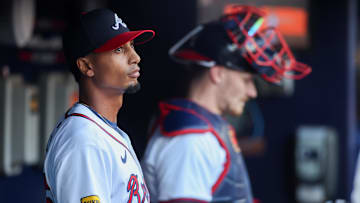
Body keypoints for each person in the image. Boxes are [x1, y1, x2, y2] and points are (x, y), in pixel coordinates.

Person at [141, 5, 311, 203]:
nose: (252, 92)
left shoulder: (205, 130)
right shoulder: (191, 141)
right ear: (218, 73)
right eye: (247, 80)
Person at [43, 8, 155, 203]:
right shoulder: (85, 140)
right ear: (86, 66)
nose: (135, 57)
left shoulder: (101, 131)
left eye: (132, 45)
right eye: (119, 49)